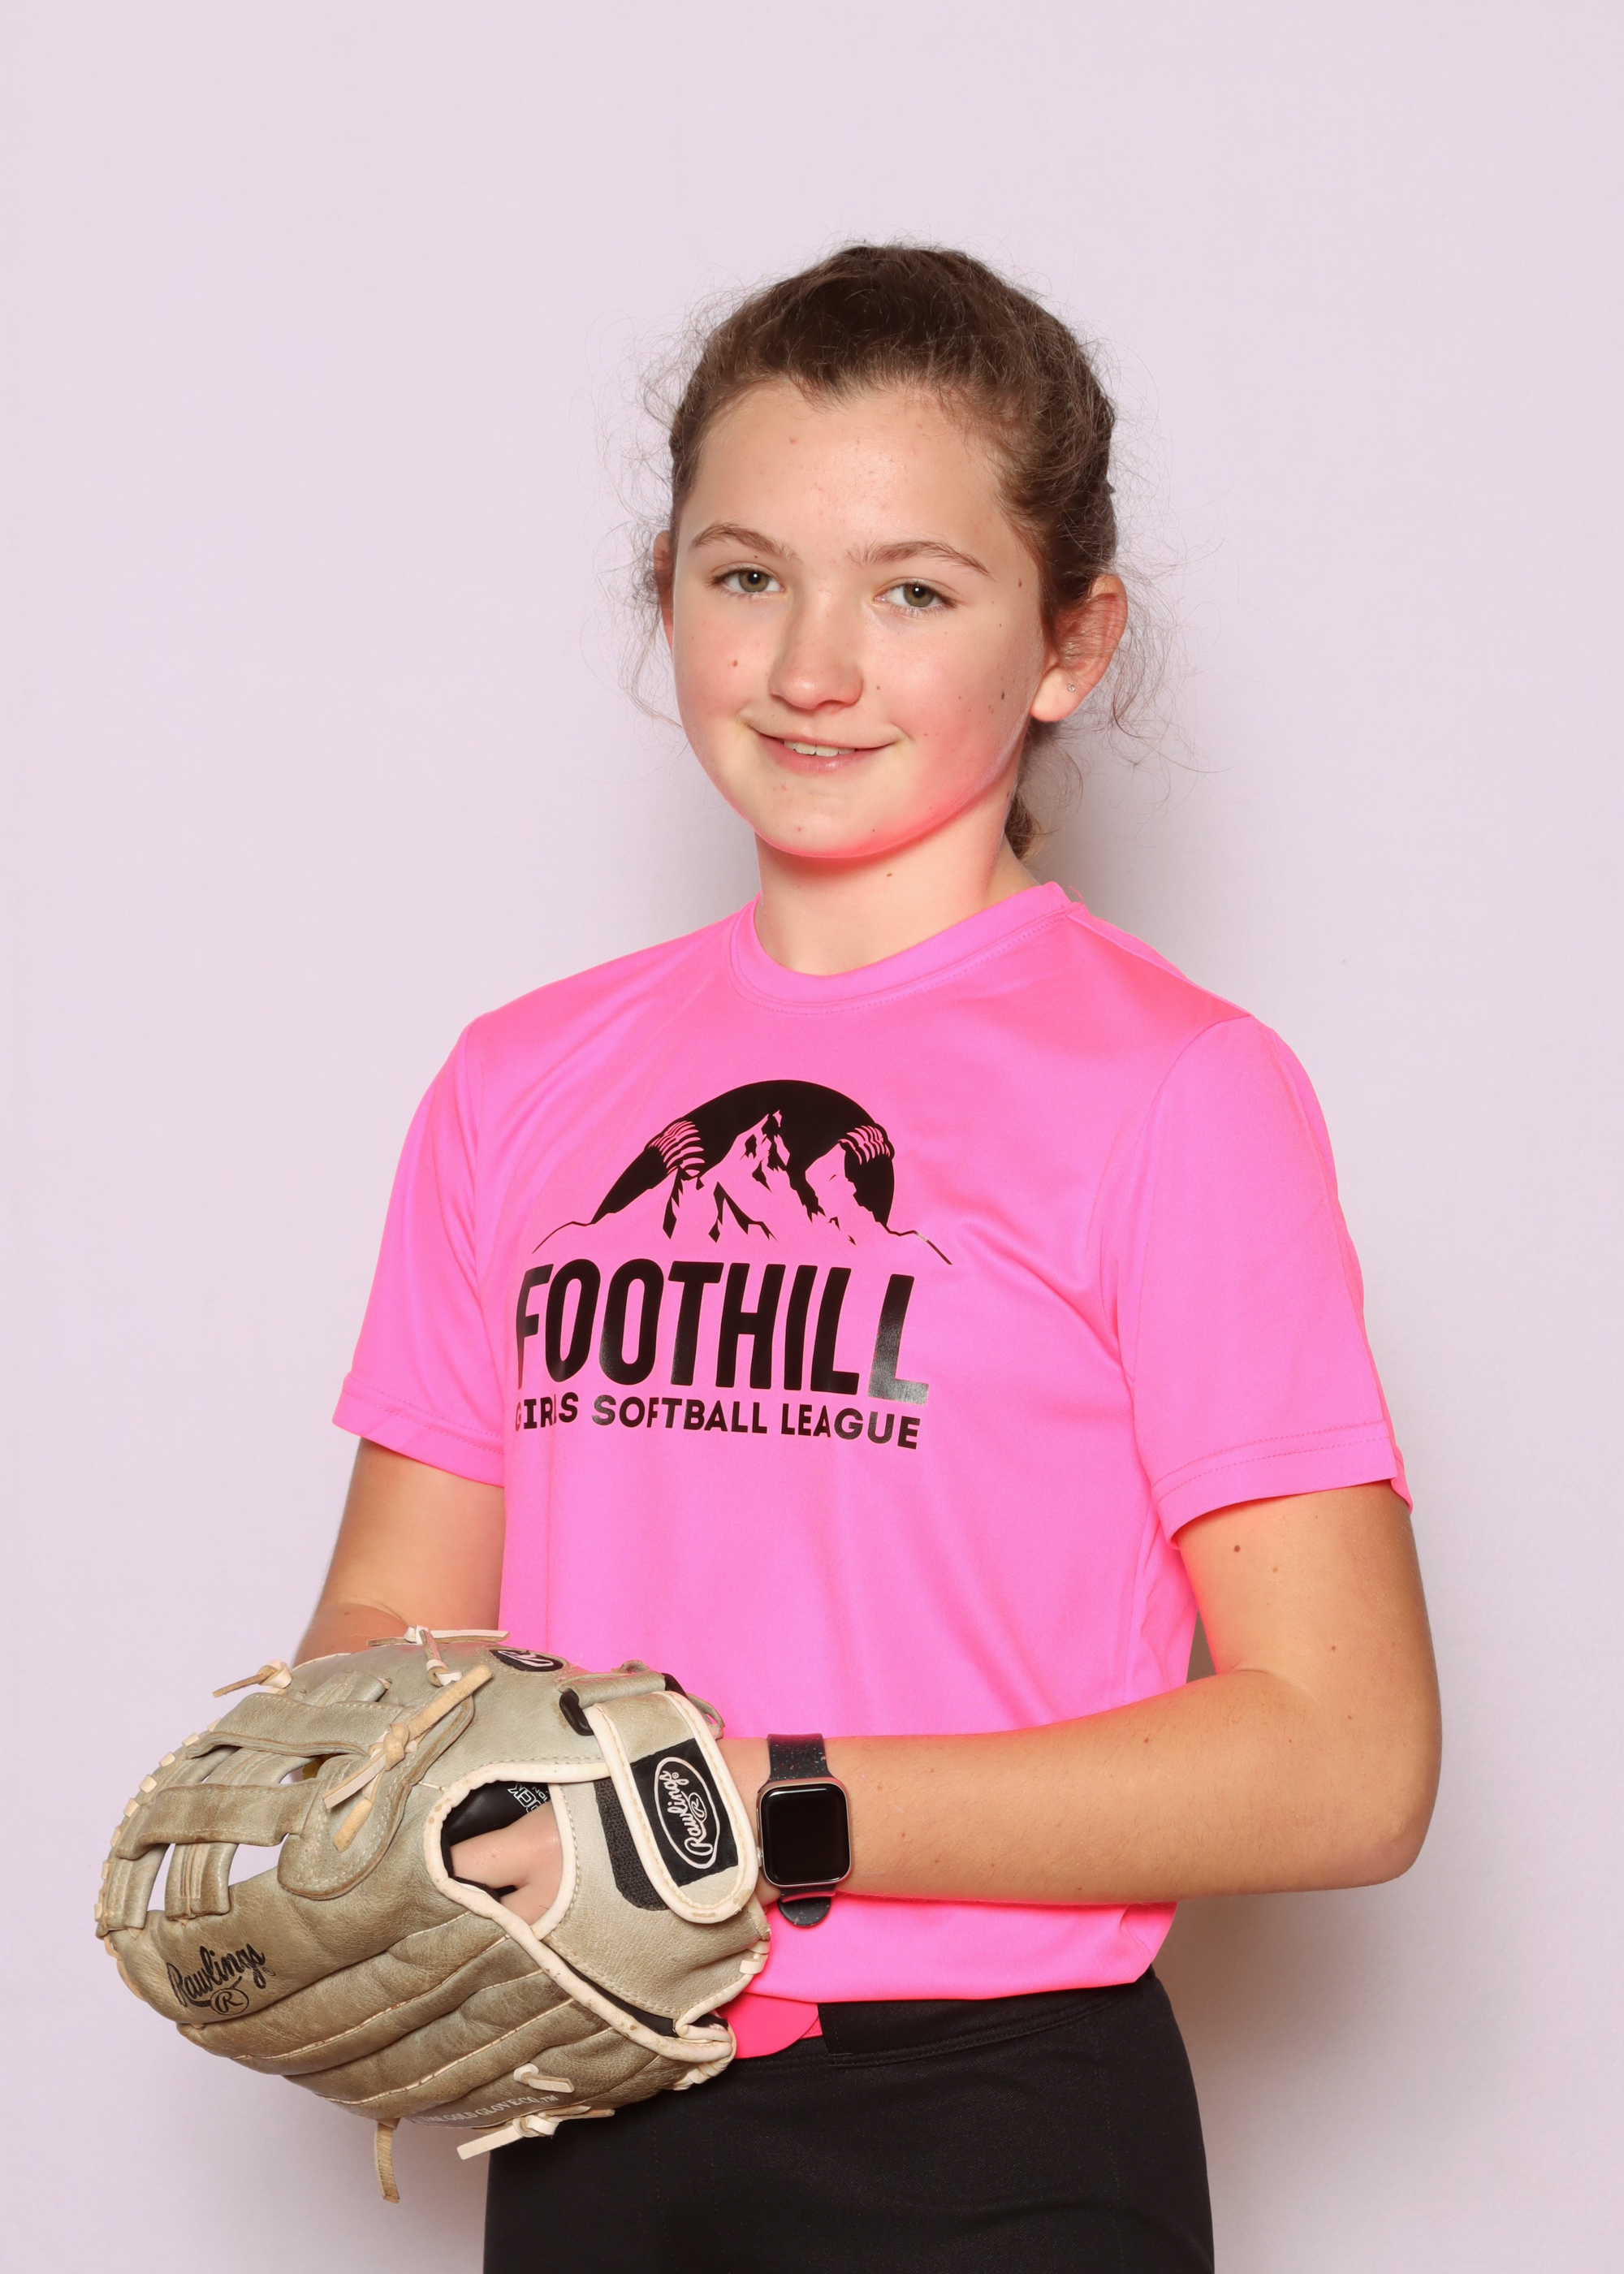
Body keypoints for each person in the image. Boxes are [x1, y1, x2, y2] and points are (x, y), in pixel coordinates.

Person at [298, 244, 1440, 2272]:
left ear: (1069, 640)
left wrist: (742, 1804)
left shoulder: (1180, 1091)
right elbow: (398, 1611)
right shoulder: (518, 1081)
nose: (810, 665)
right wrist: (340, 1815)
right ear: (667, 592)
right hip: (585, 2099)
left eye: (913, 590)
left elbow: (1347, 1758)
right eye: (747, 575)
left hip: (991, 2134)